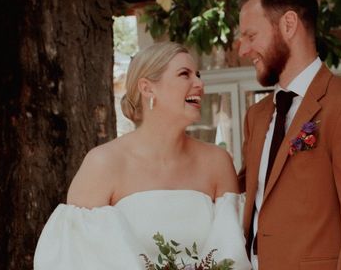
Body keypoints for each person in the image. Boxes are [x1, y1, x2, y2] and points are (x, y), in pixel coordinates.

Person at [34, 42, 251, 270]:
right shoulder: (103, 163)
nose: (199, 84)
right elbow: (74, 260)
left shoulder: (217, 162)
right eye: (184, 74)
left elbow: (232, 252)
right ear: (147, 88)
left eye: (197, 75)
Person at [237, 0, 341, 270]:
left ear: (289, 24)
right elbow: (247, 197)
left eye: (250, 35)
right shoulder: (255, 116)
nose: (243, 49)